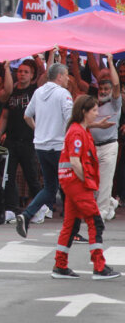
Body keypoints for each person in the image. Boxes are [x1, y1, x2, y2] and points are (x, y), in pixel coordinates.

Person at [51, 95, 120, 280]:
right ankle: (99, 266)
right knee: (95, 221)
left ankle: (60, 264)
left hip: (72, 183)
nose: (97, 114)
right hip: (77, 183)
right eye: (94, 111)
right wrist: (87, 183)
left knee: (71, 224)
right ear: (84, 112)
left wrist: (98, 125)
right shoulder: (77, 133)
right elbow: (75, 162)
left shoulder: (80, 129)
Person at [18, 62, 74, 237]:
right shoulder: (63, 94)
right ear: (59, 76)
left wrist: (39, 129)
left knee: (50, 186)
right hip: (59, 146)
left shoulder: (38, 91)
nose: (68, 78)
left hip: (41, 145)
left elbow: (27, 115)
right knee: (69, 185)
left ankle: (27, 215)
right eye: (66, 75)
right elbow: (70, 119)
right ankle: (72, 228)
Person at [0, 60, 41, 220]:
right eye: (20, 71)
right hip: (11, 140)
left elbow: (45, 75)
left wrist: (45, 56)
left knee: (31, 176)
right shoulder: (12, 92)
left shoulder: (36, 91)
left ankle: (40, 207)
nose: (22, 74)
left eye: (26, 72)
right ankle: (11, 208)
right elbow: (4, 116)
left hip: (29, 140)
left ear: (32, 75)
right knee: (8, 175)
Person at [87, 54, 121, 220]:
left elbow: (115, 84)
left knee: (105, 181)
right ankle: (111, 203)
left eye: (106, 89)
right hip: (94, 146)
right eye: (101, 89)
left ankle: (100, 213)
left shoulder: (115, 102)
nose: (103, 91)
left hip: (109, 146)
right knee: (94, 182)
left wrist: (109, 61)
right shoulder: (94, 104)